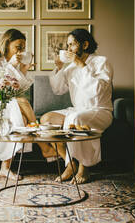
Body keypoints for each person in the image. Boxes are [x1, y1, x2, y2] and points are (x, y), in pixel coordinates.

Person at [0, 29, 56, 180]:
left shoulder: (10, 63)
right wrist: (12, 67)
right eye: (18, 47)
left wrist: (23, 70)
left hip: (0, 104)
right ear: (7, 43)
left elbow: (14, 90)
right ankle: (44, 146)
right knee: (22, 102)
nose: (20, 51)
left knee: (23, 120)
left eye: (23, 48)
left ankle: (5, 168)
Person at [40, 29, 113, 184]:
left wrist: (81, 65)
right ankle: (70, 162)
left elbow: (98, 90)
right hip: (78, 110)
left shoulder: (101, 62)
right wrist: (59, 68)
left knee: (77, 118)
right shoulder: (70, 67)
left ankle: (84, 167)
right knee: (46, 120)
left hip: (99, 110)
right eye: (68, 45)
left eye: (72, 44)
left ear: (85, 44)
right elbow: (58, 90)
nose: (68, 49)